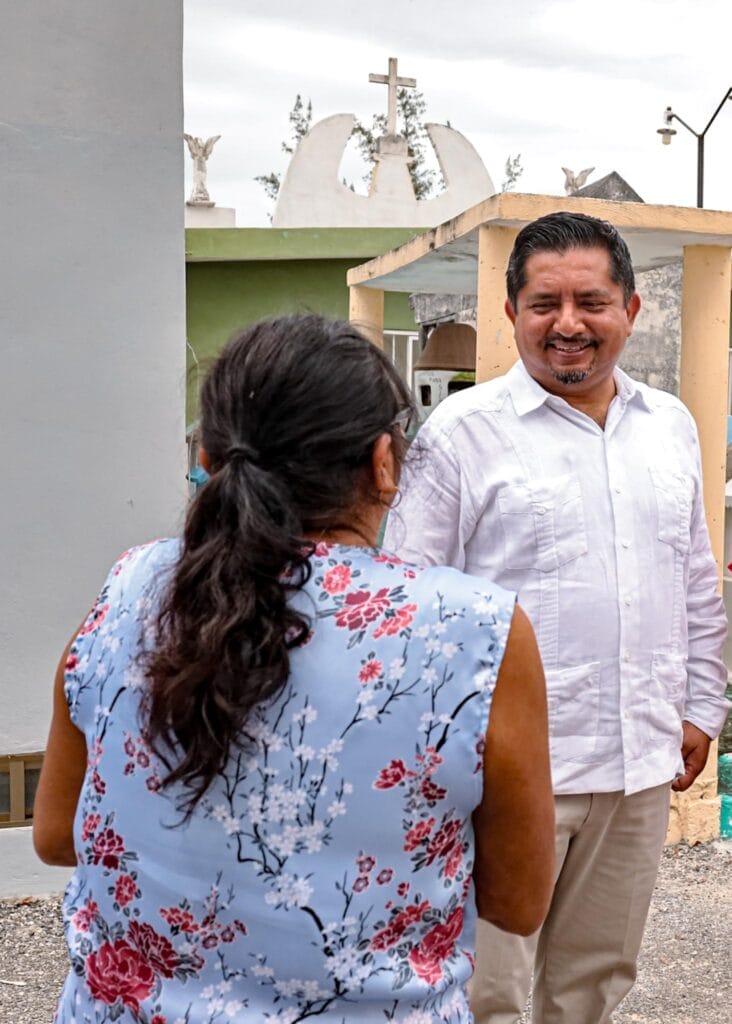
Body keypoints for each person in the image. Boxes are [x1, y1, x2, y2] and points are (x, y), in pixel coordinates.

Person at [34, 314, 554, 1023]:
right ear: (383, 462)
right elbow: (517, 903)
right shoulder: (474, 632)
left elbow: (56, 834)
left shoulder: (132, 586)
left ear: (209, 458)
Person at [383, 212, 730, 1024]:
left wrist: (702, 704)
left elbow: (692, 578)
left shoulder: (670, 427)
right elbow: (407, 599)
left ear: (630, 310)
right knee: (487, 992)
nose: (568, 324)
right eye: (545, 304)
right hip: (503, 774)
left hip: (637, 762)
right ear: (513, 313)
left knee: (595, 983)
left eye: (591, 302)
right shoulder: (463, 435)